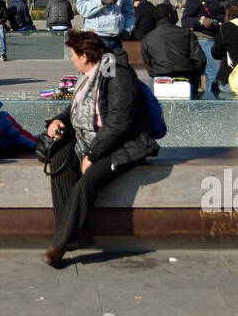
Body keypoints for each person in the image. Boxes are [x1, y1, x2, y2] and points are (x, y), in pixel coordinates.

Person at [41, 30, 159, 268]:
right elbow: (77, 107)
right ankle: (78, 233)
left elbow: (119, 123)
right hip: (93, 141)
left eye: (73, 55)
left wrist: (91, 155)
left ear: (85, 55)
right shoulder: (92, 74)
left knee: (87, 182)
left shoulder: (117, 74)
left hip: (124, 145)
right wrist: (58, 120)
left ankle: (60, 245)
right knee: (60, 159)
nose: (72, 60)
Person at [140, 3, 205, 91]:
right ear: (170, 15)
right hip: (186, 78)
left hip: (159, 79)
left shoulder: (147, 38)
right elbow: (200, 60)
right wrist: (193, 75)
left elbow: (149, 65)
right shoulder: (186, 33)